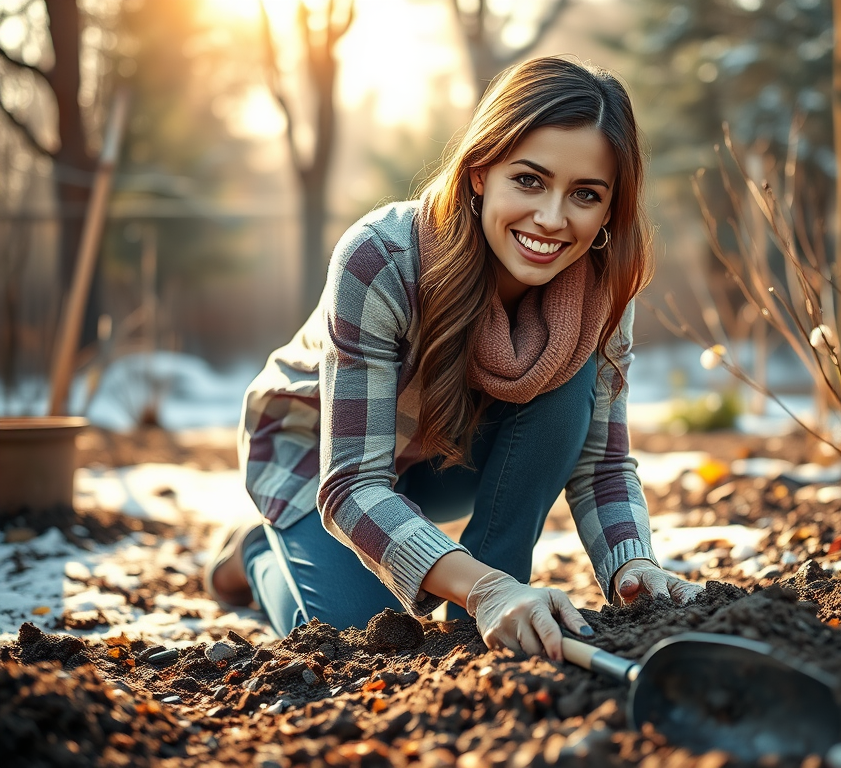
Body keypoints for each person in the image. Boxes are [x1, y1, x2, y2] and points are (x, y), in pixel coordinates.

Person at [205, 55, 702, 661]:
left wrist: (634, 569)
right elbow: (353, 484)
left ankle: (486, 607)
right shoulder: (382, 259)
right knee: (365, 640)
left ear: (609, 209)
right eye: (528, 179)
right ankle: (258, 552)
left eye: (585, 194)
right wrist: (484, 588)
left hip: (442, 452)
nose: (551, 218)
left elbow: (599, 460)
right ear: (479, 173)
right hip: (319, 458)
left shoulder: (599, 288)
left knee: (567, 383)